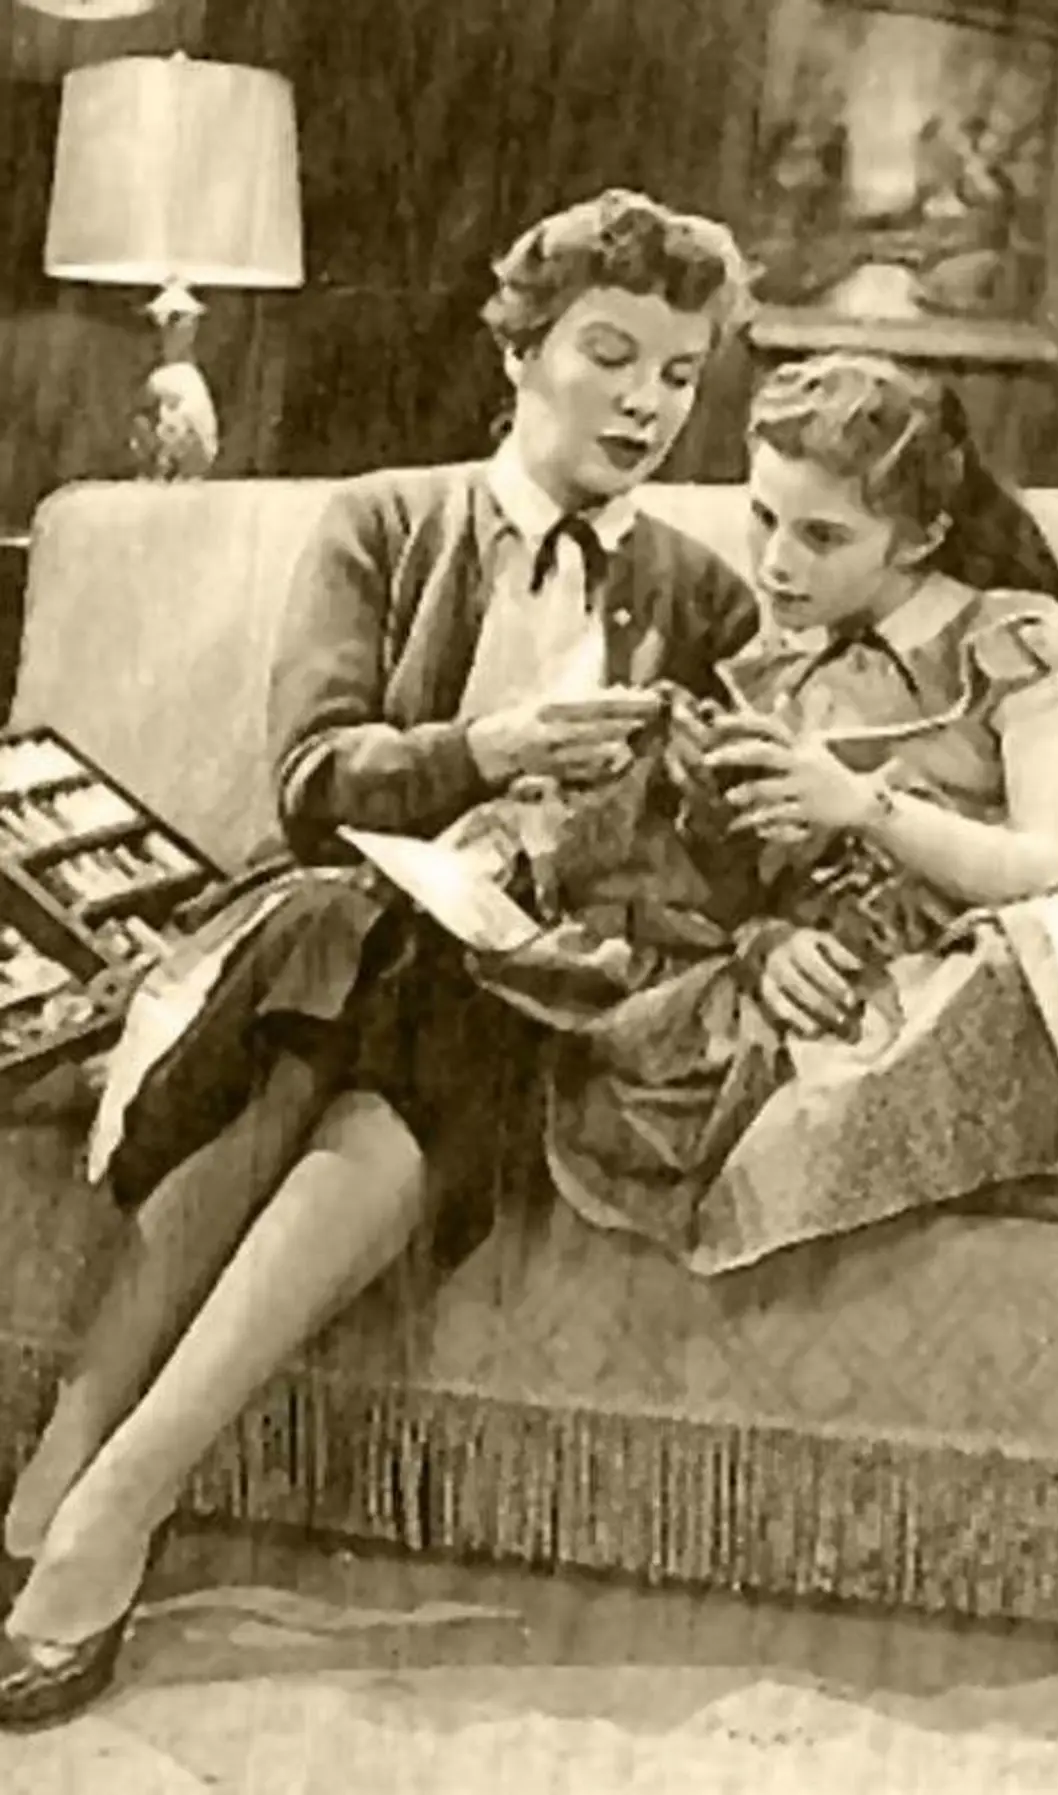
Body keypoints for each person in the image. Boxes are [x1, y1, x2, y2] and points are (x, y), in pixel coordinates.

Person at [0, 187, 757, 1729]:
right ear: (523, 351)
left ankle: (103, 1489)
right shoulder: (388, 518)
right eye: (611, 354)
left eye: (680, 373)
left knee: (455, 990)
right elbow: (313, 779)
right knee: (361, 939)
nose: (646, 402)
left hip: (532, 976)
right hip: (334, 930)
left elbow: (724, 854)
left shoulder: (705, 590)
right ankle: (87, 1479)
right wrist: (489, 749)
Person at [453, 351, 1058, 1275]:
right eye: (763, 517)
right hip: (887, 971)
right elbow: (747, 882)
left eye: (822, 536)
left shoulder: (1004, 639)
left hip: (1021, 939)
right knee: (657, 1049)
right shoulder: (776, 664)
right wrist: (766, 941)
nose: (776, 563)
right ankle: (1048, 1133)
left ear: (920, 537)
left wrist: (866, 807)